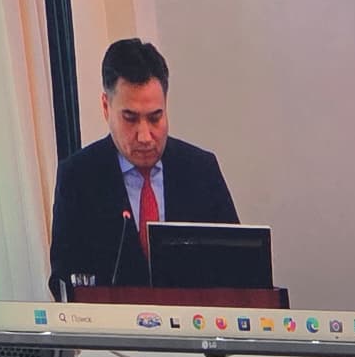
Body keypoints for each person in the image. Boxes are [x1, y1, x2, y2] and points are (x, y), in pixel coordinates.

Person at [48, 38, 239, 298]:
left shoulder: (201, 171)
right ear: (106, 107)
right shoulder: (78, 177)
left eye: (155, 117)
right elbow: (64, 279)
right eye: (130, 118)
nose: (145, 136)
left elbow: (238, 268)